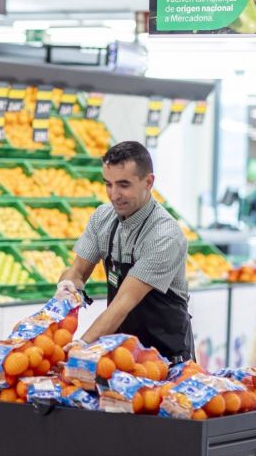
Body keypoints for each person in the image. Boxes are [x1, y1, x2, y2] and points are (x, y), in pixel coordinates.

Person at [57, 140, 194, 363]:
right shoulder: (103, 217)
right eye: (108, 184)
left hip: (164, 358)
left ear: (148, 182)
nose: (114, 194)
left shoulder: (164, 236)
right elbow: (78, 271)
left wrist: (82, 345)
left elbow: (123, 303)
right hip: (121, 353)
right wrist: (65, 292)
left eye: (124, 185)